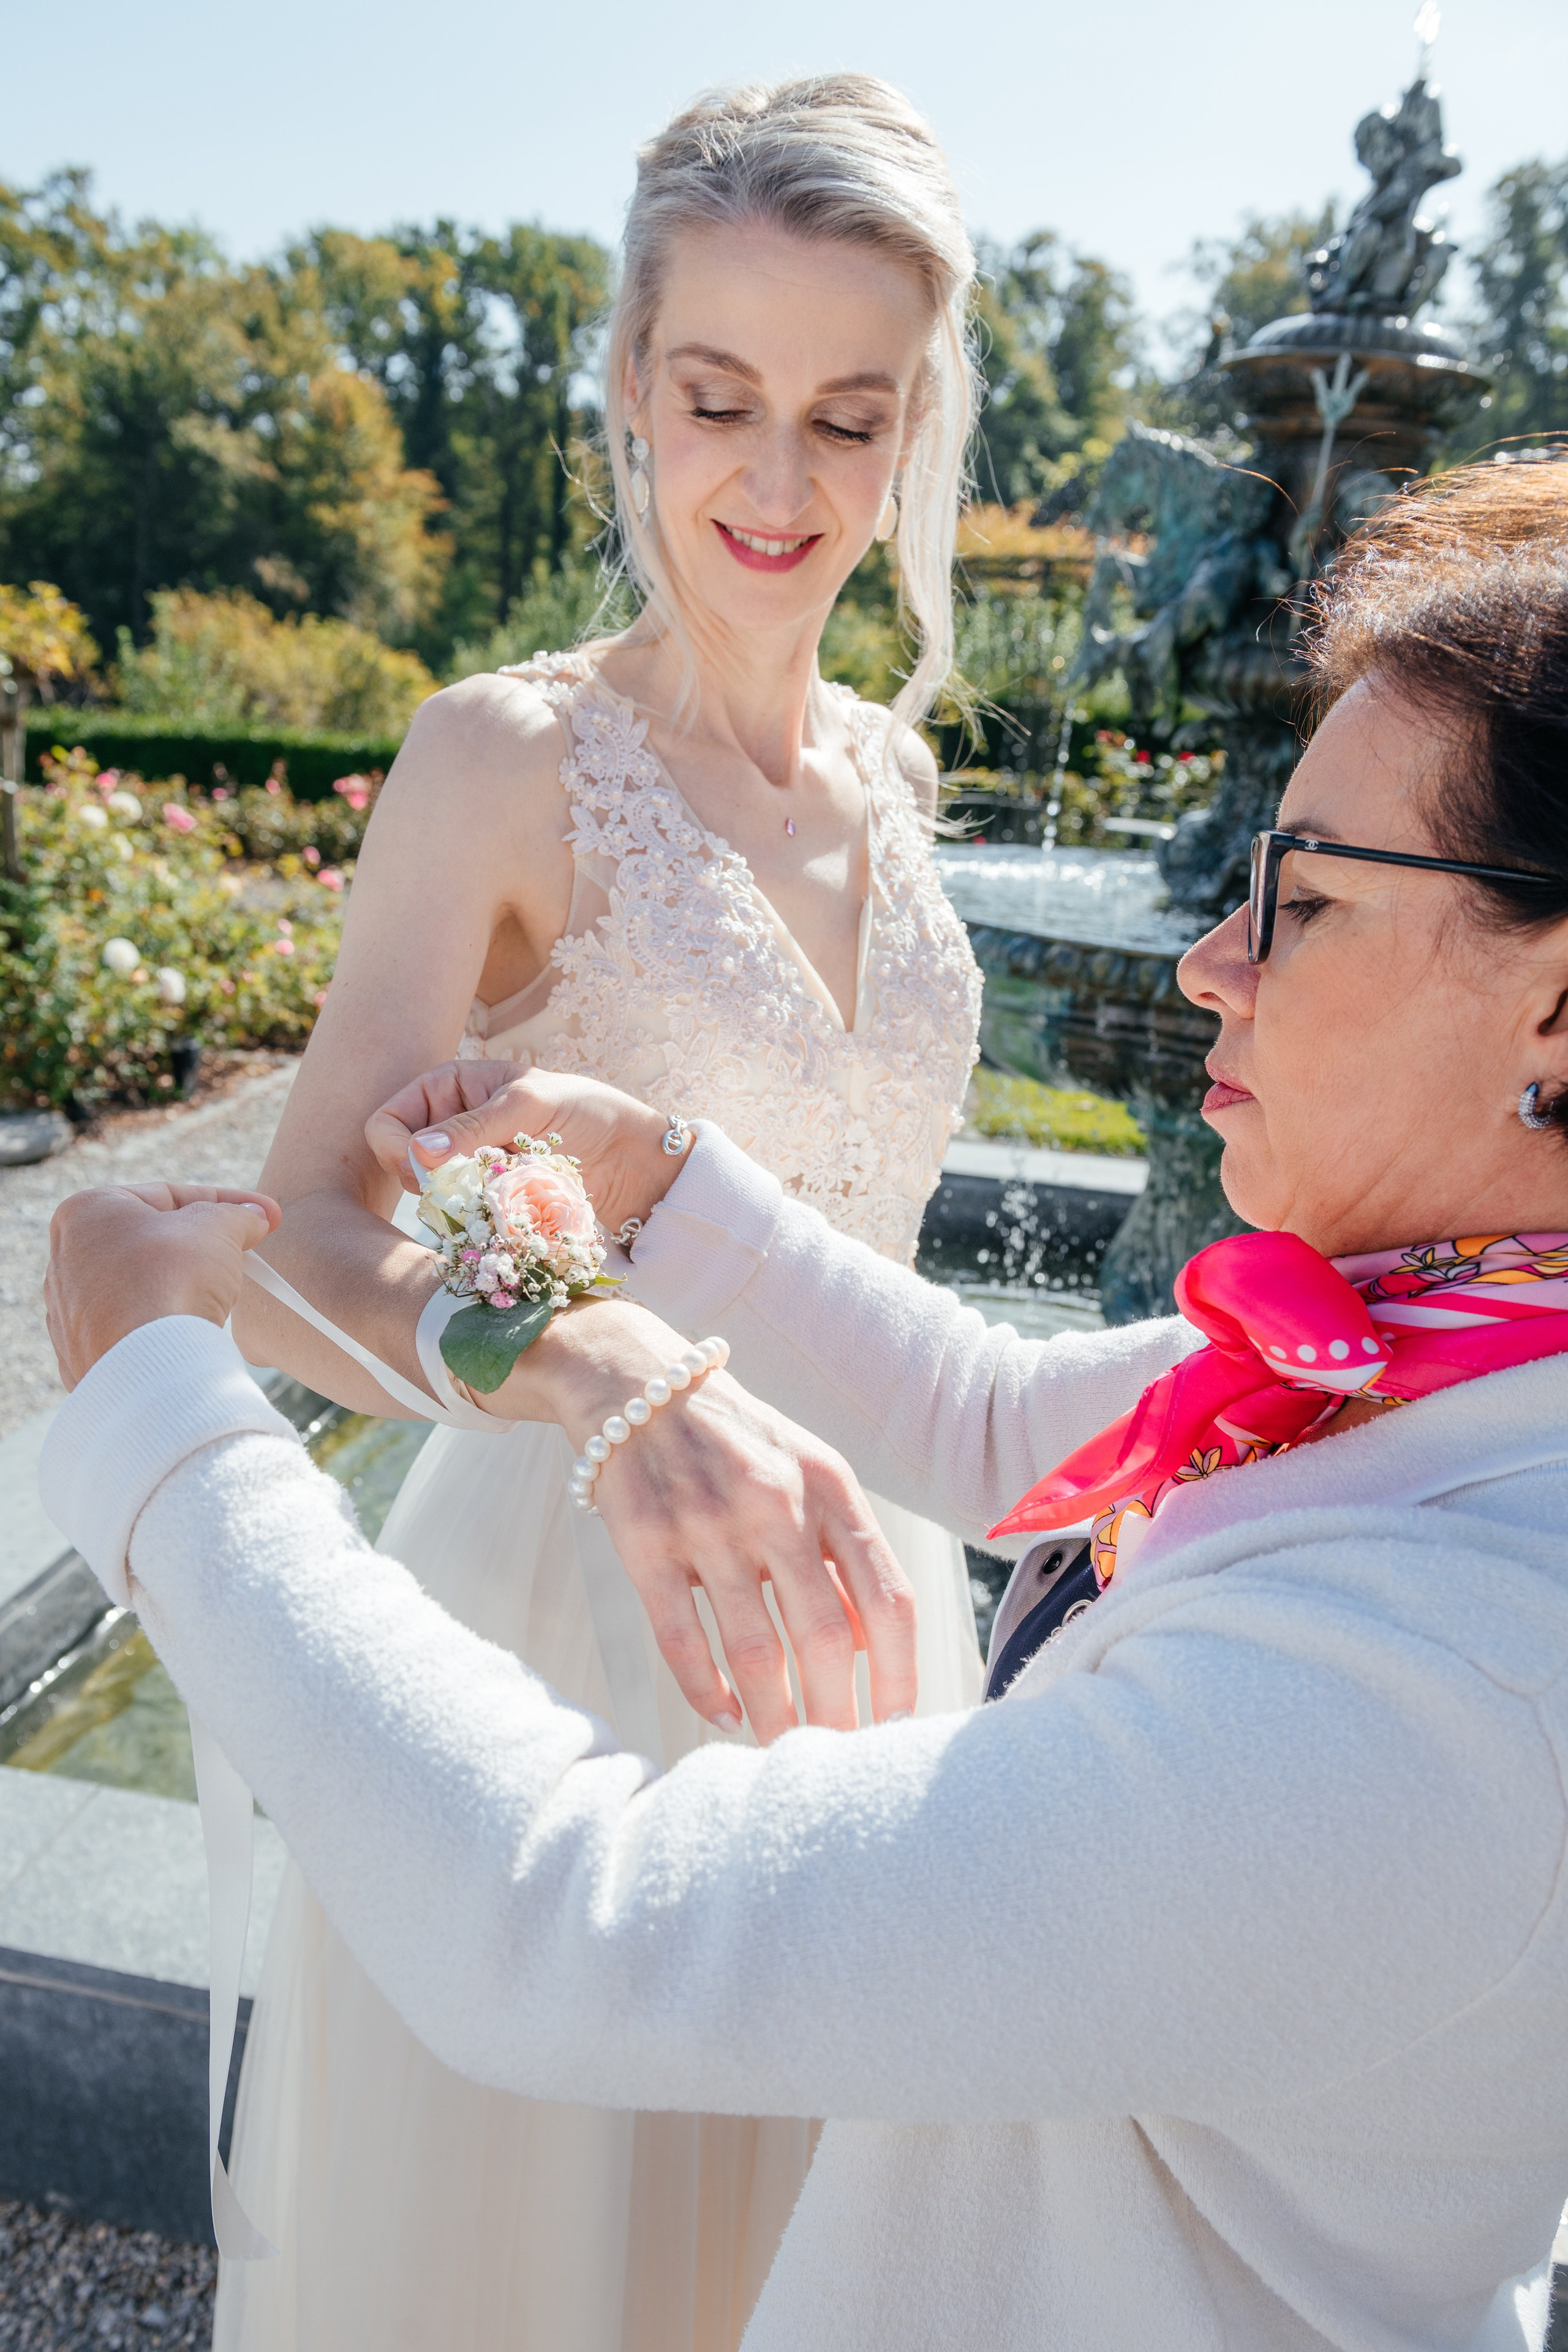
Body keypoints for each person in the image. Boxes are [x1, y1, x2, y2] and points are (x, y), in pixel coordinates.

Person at [42, 455, 1568, 2349]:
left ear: (1558, 1011)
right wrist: (663, 1187)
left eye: (1309, 898)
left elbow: (587, 1927)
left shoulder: (1469, 1664)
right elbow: (1016, 1425)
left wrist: (158, 1417)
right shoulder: (1450, 1353)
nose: (1208, 959)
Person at [220, 74, 986, 2350]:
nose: (776, 483)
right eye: (719, 397)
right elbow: (296, 1250)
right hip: (567, 1627)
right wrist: (599, 1347)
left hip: (876, 1626)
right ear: (631, 392)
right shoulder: (507, 757)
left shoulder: (898, 779)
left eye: (848, 417)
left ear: (915, 425)